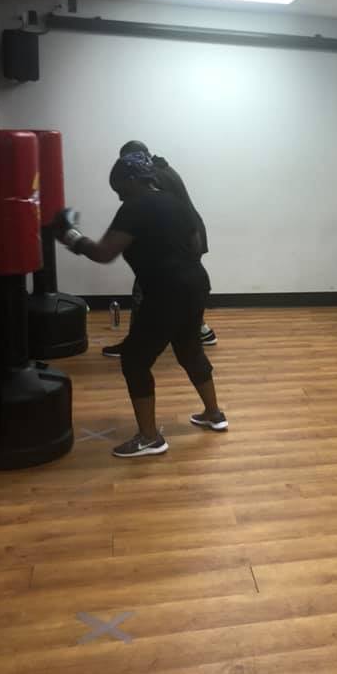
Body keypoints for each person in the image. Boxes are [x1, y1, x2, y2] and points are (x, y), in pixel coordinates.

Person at [54, 151, 227, 458]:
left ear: (133, 179)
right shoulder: (176, 201)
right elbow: (196, 245)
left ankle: (149, 438)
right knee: (189, 348)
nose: (119, 195)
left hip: (166, 291)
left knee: (134, 359)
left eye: (119, 187)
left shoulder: (135, 207)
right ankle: (214, 414)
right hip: (196, 284)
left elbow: (104, 253)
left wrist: (71, 235)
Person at [101, 139, 217, 356]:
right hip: (191, 235)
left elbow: (153, 212)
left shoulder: (153, 177)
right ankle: (202, 331)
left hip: (184, 238)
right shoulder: (163, 169)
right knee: (184, 288)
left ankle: (135, 343)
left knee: (144, 291)